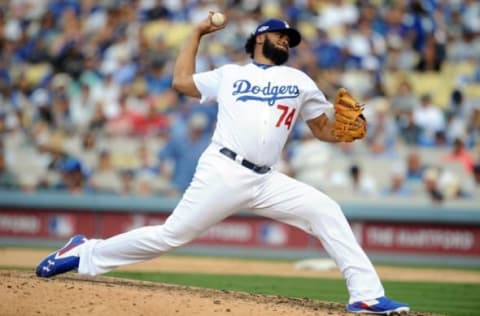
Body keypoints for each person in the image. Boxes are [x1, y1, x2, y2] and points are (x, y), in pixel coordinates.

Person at [35, 14, 409, 315]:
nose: (287, 43)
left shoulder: (300, 81)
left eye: (290, 40)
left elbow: (324, 130)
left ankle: (366, 295)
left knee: (326, 210)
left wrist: (346, 132)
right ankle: (83, 253)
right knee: (171, 235)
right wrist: (197, 32)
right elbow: (180, 82)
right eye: (281, 37)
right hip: (224, 170)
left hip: (267, 179)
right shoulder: (230, 74)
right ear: (261, 39)